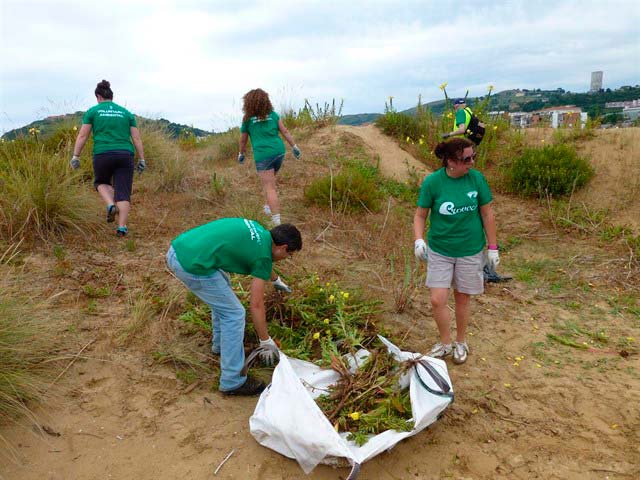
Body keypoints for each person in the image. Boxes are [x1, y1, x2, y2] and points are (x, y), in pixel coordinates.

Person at [166, 218, 302, 395]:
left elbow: (264, 262)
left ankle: (222, 347)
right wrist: (265, 340)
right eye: (289, 255)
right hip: (190, 264)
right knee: (235, 313)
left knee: (224, 290)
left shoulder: (261, 232)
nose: (286, 258)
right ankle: (232, 381)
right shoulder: (263, 256)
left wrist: (275, 280)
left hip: (181, 248)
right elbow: (256, 304)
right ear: (283, 247)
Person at [413, 138, 499, 365]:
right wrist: (419, 240)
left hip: (469, 250)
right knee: (437, 299)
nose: (472, 162)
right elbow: (420, 215)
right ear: (450, 161)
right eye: (466, 159)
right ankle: (445, 343)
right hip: (441, 249)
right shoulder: (433, 182)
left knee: (462, 298)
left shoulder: (477, 179)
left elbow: (487, 214)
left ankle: (461, 342)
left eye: (474, 157)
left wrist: (492, 248)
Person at [71, 79, 146, 237]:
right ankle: (122, 228)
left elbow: (83, 135)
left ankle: (111, 204)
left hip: (102, 154)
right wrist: (142, 159)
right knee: (123, 192)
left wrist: (75, 156)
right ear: (111, 96)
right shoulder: (126, 113)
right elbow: (137, 139)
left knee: (101, 182)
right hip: (125, 154)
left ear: (98, 97)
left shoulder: (93, 111)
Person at [238, 88, 301, 227]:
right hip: (279, 153)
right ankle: (267, 207)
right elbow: (284, 131)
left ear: (248, 103)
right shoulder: (273, 115)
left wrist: (241, 154)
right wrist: (294, 146)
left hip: (263, 156)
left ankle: (276, 220)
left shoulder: (247, 120)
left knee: (269, 187)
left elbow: (243, 140)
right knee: (270, 182)